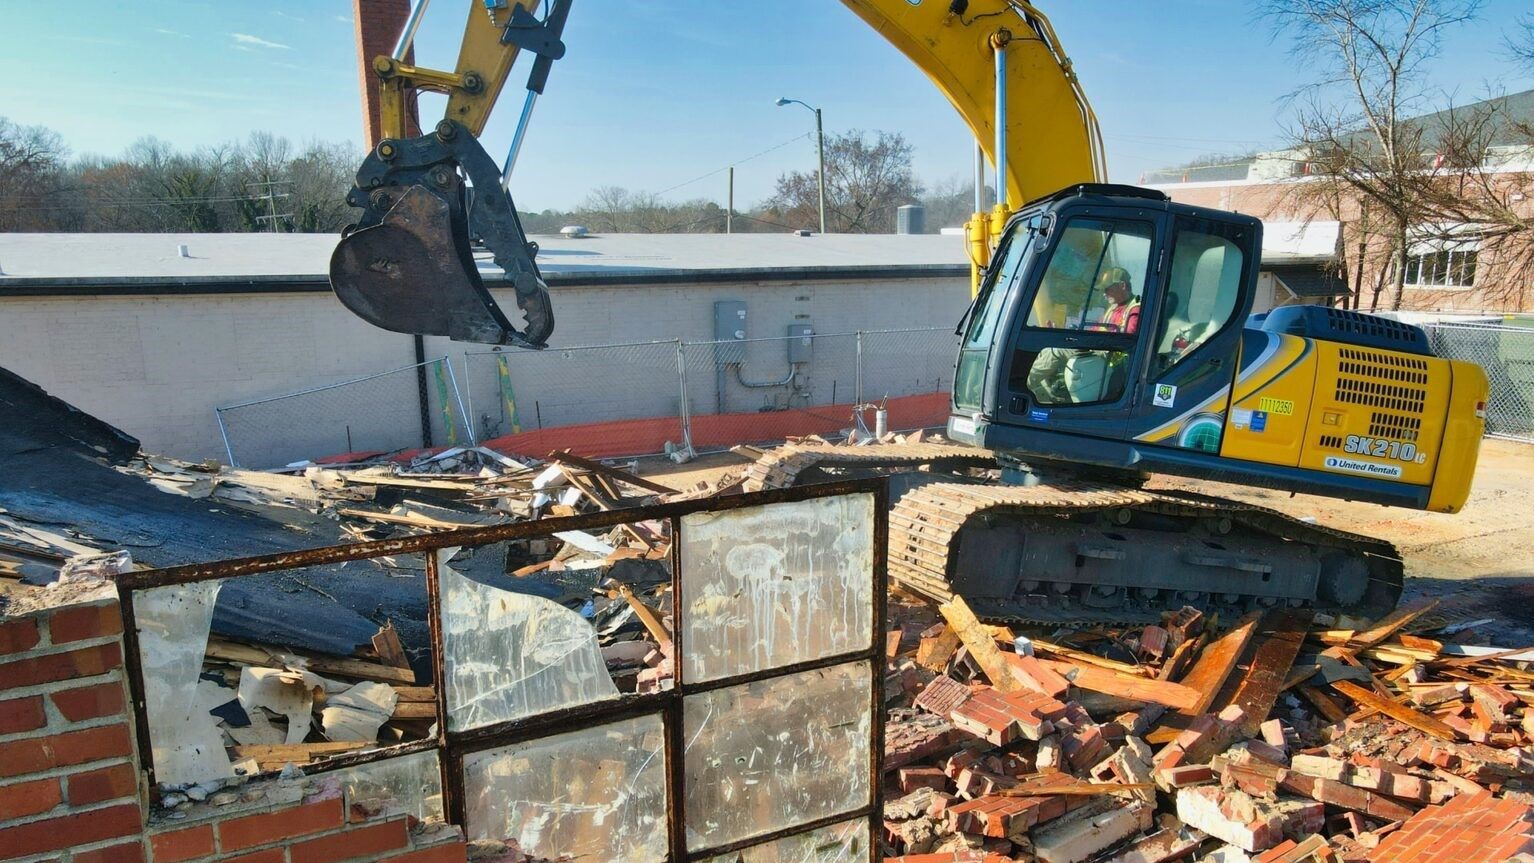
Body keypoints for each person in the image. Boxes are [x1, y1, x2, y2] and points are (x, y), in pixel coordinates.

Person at [1025, 266, 1141, 404]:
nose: (1104, 294)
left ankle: (1023, 385)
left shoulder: (1135, 310)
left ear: (1122, 286)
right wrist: (1062, 333)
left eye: (1107, 289)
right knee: (1050, 345)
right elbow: (1093, 331)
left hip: (1110, 360)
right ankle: (1045, 395)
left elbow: (1127, 340)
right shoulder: (1113, 308)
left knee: (1054, 351)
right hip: (1098, 349)